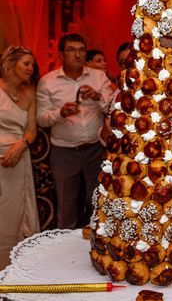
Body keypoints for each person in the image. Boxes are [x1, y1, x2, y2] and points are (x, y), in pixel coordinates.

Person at [37, 34, 114, 229]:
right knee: (67, 205)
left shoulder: (98, 77)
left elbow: (112, 109)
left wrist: (97, 96)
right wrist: (60, 113)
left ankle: (96, 246)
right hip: (64, 152)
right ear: (61, 54)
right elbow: (41, 118)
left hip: (95, 150)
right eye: (72, 50)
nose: (78, 54)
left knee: (97, 202)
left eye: (81, 50)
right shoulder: (48, 81)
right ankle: (64, 253)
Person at [0, 46, 40, 269]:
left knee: (16, 217)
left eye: (32, 64)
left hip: (18, 160)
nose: (30, 68)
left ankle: (14, 268)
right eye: (26, 63)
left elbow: (32, 130)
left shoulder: (30, 91)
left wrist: (20, 145)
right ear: (9, 63)